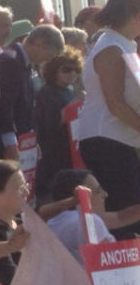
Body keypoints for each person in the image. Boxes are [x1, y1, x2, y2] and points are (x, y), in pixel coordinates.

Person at [74, 0, 140, 237]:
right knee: (125, 212)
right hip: (107, 139)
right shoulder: (111, 48)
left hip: (118, 138)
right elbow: (116, 104)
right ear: (135, 15)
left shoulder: (123, 45)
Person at [0, 25, 65, 161]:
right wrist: (10, 143)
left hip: (21, 140)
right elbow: (4, 106)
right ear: (39, 44)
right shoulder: (10, 61)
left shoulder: (25, 64)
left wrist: (31, 142)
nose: (48, 60)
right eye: (49, 55)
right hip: (6, 144)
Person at [34, 48, 83, 198]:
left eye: (76, 70)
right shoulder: (48, 92)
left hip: (69, 151)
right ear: (54, 70)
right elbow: (54, 122)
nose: (72, 74)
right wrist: (75, 103)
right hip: (54, 154)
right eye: (67, 70)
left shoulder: (67, 91)